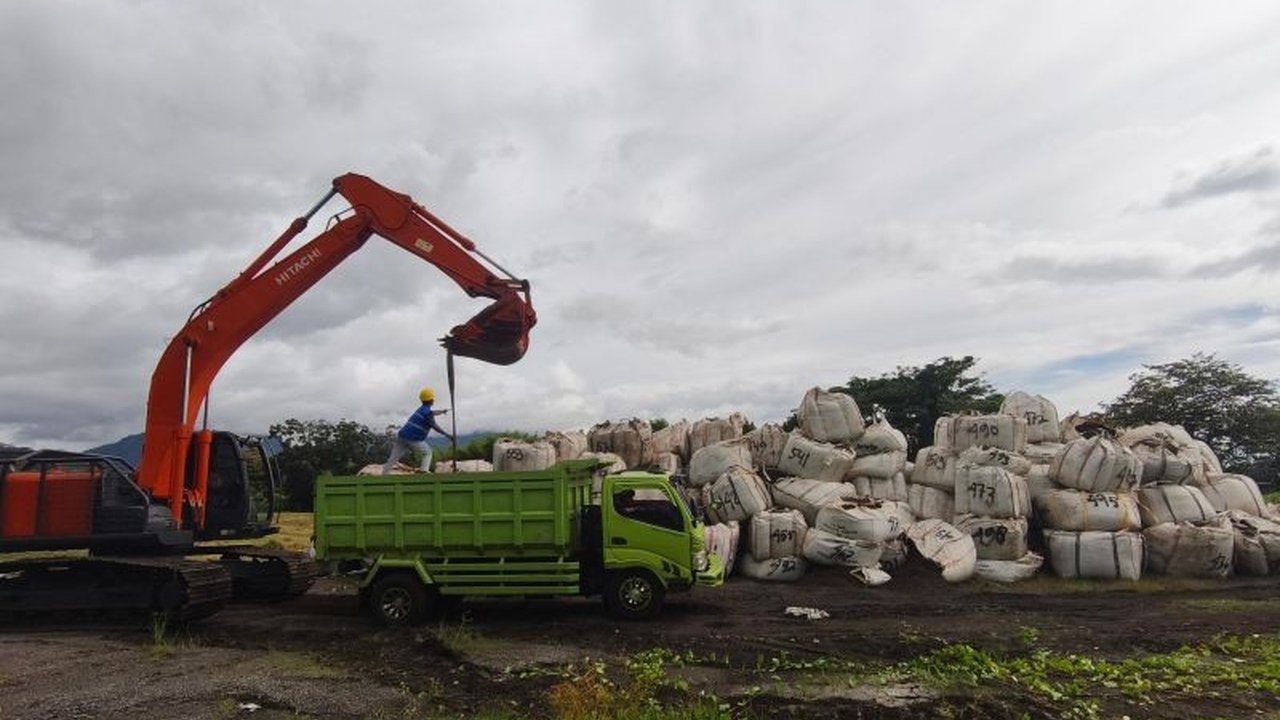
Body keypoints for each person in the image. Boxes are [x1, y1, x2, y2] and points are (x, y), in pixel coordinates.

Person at [383, 387, 454, 474]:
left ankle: (384, 475)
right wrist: (447, 435)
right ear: (431, 400)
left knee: (393, 459)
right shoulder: (427, 413)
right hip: (413, 438)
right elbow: (434, 426)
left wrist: (442, 412)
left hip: (402, 436)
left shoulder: (422, 409)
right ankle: (423, 471)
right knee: (427, 452)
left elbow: (432, 413)